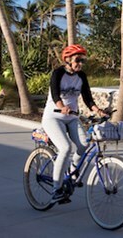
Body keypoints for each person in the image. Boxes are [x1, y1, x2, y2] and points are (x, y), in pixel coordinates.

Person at [42, 44, 106, 203]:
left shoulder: (81, 76)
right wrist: (61, 107)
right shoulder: (58, 73)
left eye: (83, 60)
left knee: (84, 145)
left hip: (72, 117)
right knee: (65, 148)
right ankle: (56, 189)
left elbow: (87, 97)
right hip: (53, 117)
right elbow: (55, 94)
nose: (80, 63)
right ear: (68, 60)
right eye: (78, 60)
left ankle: (72, 170)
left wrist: (98, 111)